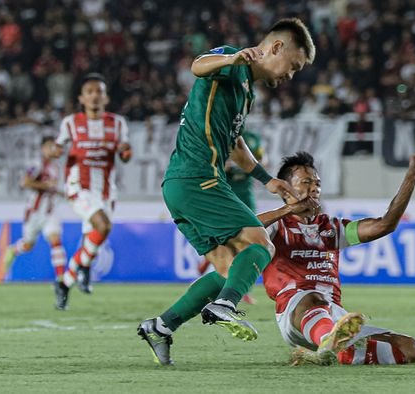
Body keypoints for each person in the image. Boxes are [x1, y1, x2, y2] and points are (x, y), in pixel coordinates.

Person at [137, 18, 316, 366]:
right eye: (292, 66)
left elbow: (234, 143)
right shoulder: (234, 62)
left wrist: (268, 180)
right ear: (276, 48)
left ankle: (161, 326)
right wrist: (231, 60)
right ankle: (225, 305)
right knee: (261, 242)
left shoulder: (246, 91)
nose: (290, 76)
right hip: (197, 178)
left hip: (183, 184)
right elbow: (197, 65)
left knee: (228, 268)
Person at [259, 150, 415, 365]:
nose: (315, 188)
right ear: (285, 189)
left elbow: (384, 225)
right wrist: (287, 210)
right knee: (313, 298)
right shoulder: (276, 227)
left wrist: (410, 179)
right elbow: (239, 231)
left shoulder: (332, 228)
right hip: (295, 311)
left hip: (334, 315)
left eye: (317, 183)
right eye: (306, 182)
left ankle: (332, 350)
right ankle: (328, 341)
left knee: (409, 349)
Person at [54, 73, 132, 310]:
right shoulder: (70, 123)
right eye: (90, 92)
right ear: (82, 98)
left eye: (99, 91)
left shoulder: (118, 123)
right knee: (103, 226)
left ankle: (65, 282)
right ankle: (82, 269)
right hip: (80, 186)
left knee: (94, 238)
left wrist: (126, 152)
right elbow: (57, 146)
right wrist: (52, 149)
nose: (95, 96)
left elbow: (125, 155)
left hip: (107, 191)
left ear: (106, 97)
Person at [196, 130, 265, 305]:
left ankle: (242, 289)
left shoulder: (252, 138)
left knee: (247, 244)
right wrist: (220, 167)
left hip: (246, 198)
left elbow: (263, 160)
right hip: (225, 197)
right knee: (228, 242)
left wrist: (249, 164)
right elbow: (204, 165)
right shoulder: (218, 137)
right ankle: (223, 279)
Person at [1, 136, 67, 290]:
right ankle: (13, 249)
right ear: (43, 148)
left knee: (56, 240)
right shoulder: (36, 164)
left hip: (50, 211)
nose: (53, 150)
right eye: (50, 146)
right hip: (34, 212)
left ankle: (61, 279)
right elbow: (25, 182)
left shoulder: (56, 166)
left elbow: (52, 188)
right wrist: (45, 186)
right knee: (28, 244)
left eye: (54, 146)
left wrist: (61, 193)